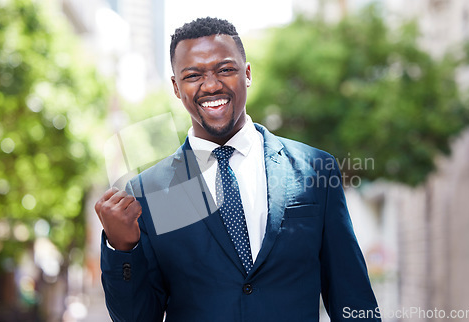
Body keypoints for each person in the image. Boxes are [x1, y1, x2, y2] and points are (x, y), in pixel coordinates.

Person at [95, 17, 380, 321]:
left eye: (225, 70)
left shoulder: (313, 170)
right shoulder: (153, 192)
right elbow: (139, 317)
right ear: (176, 88)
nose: (211, 85)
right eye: (193, 75)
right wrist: (122, 248)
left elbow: (351, 296)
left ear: (247, 74)